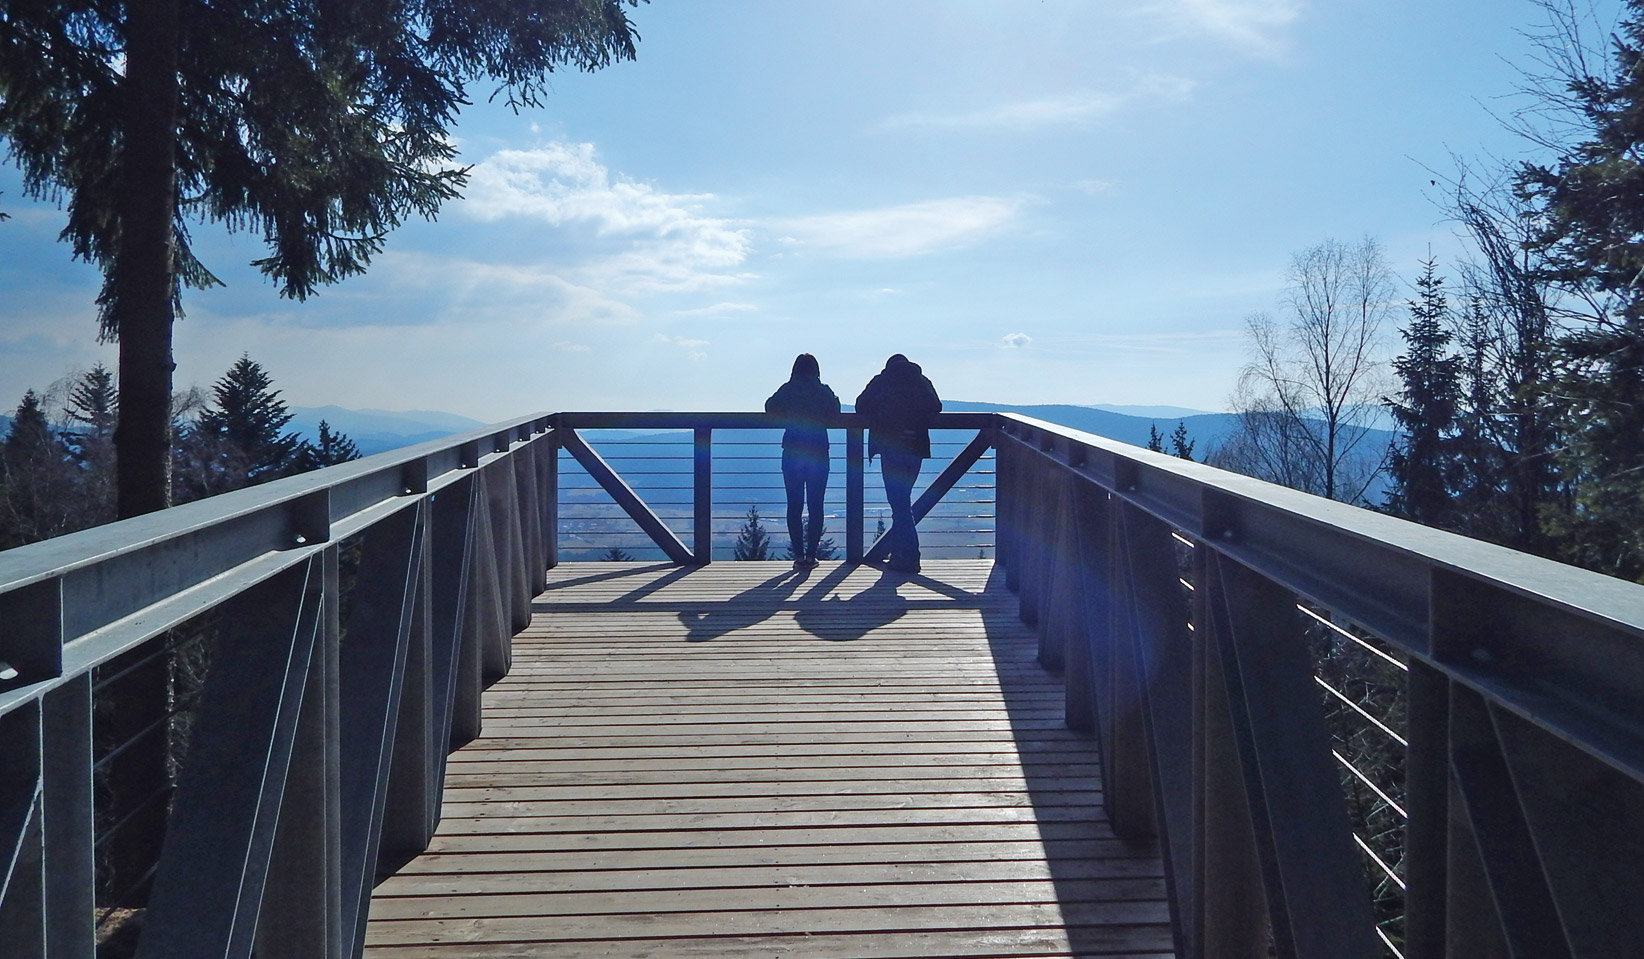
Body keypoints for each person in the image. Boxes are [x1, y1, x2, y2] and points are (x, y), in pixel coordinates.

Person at [855, 354, 942, 573]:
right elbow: (936, 407)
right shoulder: (921, 381)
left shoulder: (881, 381)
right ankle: (902, 555)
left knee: (899, 504)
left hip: (890, 448)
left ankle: (910, 556)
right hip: (915, 447)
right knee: (902, 503)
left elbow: (860, 406)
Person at [765, 353, 840, 568]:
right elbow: (835, 410)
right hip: (818, 452)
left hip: (792, 451)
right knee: (816, 505)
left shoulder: (788, 389)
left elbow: (770, 406)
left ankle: (798, 555)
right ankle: (811, 555)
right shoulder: (822, 390)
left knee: (794, 505)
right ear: (817, 370)